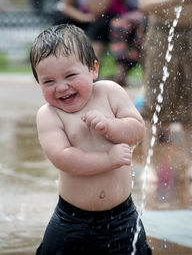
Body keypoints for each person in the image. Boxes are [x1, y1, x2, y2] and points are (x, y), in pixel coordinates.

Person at [30, 24, 152, 255]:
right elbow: (63, 158)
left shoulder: (109, 92)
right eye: (49, 81)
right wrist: (108, 158)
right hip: (72, 220)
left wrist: (110, 126)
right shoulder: (49, 114)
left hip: (123, 217)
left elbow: (137, 130)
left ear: (93, 69)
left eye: (70, 75)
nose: (61, 87)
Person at [138, 0, 192, 183]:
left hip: (190, 33)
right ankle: (150, 165)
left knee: (191, 99)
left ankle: (191, 163)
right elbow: (144, 4)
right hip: (161, 33)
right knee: (155, 101)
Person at [55, 0, 126, 60]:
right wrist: (81, 17)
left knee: (98, 27)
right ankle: (62, 57)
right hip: (85, 16)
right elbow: (65, 6)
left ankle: (92, 62)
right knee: (61, 21)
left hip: (107, 17)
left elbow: (96, 12)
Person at [108, 0, 145, 86]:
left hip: (146, 17)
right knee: (117, 25)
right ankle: (120, 71)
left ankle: (127, 68)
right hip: (126, 19)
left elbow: (146, 6)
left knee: (140, 33)